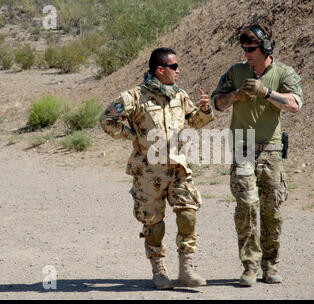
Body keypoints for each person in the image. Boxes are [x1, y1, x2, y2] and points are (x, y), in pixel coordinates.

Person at [100, 47, 214, 289]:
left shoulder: (179, 95)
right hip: (149, 172)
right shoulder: (134, 97)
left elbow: (193, 122)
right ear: (160, 70)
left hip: (178, 168)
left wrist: (204, 110)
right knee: (153, 223)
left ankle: (186, 269)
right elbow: (107, 120)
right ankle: (159, 270)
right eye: (174, 67)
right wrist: (131, 135)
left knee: (187, 215)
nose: (178, 71)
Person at [210, 24, 303, 287]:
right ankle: (250, 266)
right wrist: (236, 95)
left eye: (252, 49)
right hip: (243, 148)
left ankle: (270, 265)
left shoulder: (284, 72)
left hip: (271, 150)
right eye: (245, 49)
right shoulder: (236, 72)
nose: (247, 53)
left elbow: (295, 104)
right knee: (247, 206)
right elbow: (216, 103)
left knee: (271, 209)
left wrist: (266, 93)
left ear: (266, 48)